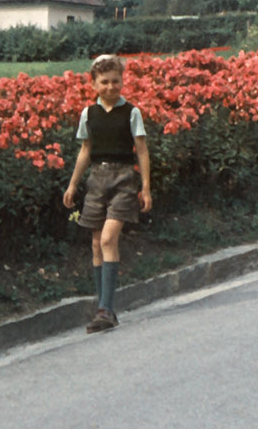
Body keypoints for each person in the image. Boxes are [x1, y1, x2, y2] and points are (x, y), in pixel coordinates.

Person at [63, 54, 153, 332]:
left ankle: (107, 309)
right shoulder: (88, 114)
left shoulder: (132, 113)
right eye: (104, 82)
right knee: (95, 244)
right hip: (96, 180)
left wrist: (146, 188)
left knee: (108, 238)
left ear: (123, 81)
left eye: (116, 81)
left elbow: (141, 150)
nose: (111, 87)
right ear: (93, 84)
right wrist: (73, 184)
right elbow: (85, 151)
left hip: (124, 179)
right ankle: (103, 307)